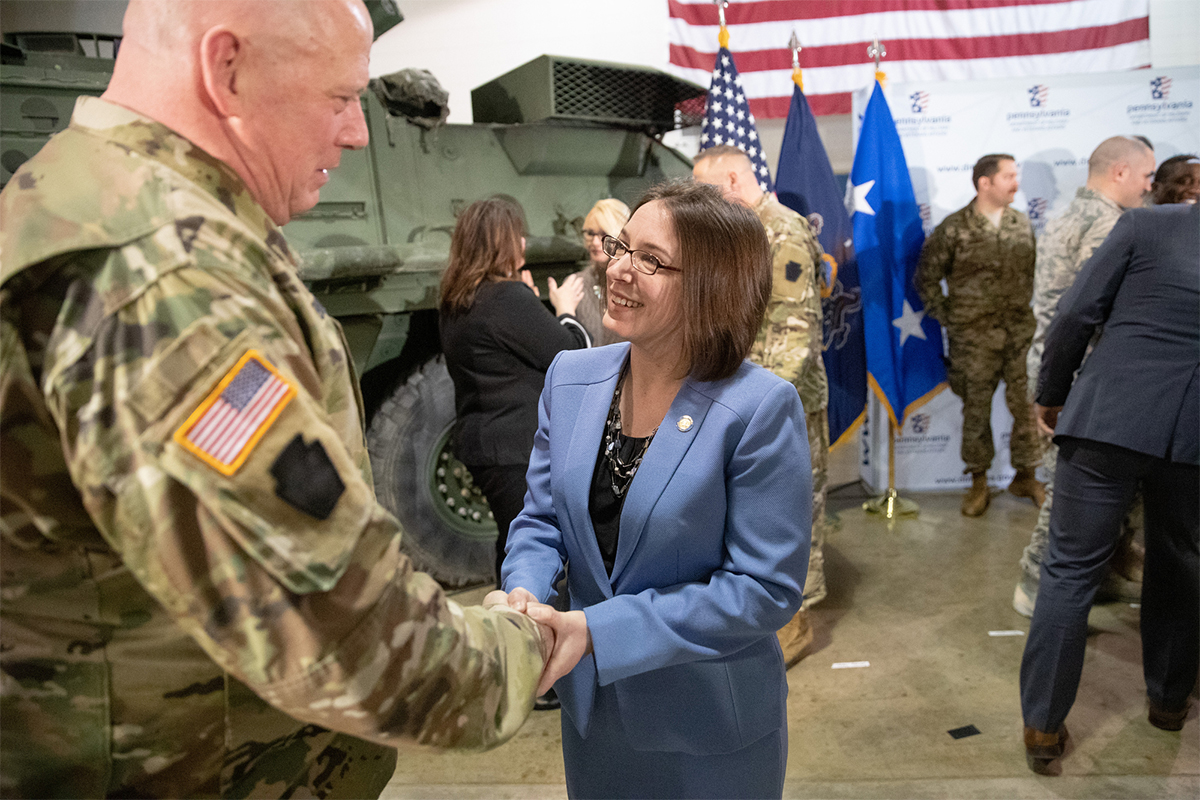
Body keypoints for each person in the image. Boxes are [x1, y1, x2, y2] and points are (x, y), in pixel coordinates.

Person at [0, 2, 553, 797]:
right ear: (225, 69)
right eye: (337, 98)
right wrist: (523, 645)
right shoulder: (161, 272)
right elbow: (343, 625)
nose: (358, 132)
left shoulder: (94, 192)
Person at [490, 180, 811, 799]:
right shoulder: (571, 376)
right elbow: (542, 519)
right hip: (596, 721)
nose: (619, 268)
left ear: (711, 287)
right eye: (620, 246)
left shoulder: (759, 408)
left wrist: (599, 631)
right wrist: (524, 595)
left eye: (651, 260)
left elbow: (764, 589)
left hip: (711, 731)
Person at [1019, 200, 1199, 774]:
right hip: (1193, 438)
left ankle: (1042, 725)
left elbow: (1074, 314)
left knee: (1070, 569)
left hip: (1109, 419)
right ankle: (1169, 703)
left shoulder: (1149, 223)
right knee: (1181, 563)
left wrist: (1051, 390)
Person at [692, 144, 828, 666]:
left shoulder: (782, 232)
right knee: (754, 511)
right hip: (742, 396)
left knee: (796, 508)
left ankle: (798, 619)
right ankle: (766, 609)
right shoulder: (741, 235)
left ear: (731, 179)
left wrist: (753, 405)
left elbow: (797, 334)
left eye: (705, 188)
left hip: (784, 403)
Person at [1011, 135, 1157, 616]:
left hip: (1063, 364)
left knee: (1092, 485)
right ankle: (1036, 585)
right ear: (1120, 173)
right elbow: (1097, 311)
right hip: (1082, 370)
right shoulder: (1110, 225)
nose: (1149, 186)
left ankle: (1104, 573)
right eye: (1146, 176)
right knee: (1072, 491)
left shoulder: (1070, 215)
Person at [439, 195, 587, 587]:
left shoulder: (457, 297)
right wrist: (564, 309)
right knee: (532, 551)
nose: (523, 244)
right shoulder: (506, 297)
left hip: (482, 445)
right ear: (502, 243)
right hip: (514, 448)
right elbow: (569, 353)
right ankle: (528, 629)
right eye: (517, 236)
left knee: (511, 545)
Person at [915, 153, 1043, 516]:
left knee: (1026, 408)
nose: (1016, 182)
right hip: (974, 340)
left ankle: (1026, 474)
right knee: (976, 411)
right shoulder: (954, 228)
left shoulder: (1022, 223)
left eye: (1016, 175)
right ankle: (978, 482)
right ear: (984, 182)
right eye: (1008, 176)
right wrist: (951, 317)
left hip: (1019, 335)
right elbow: (925, 278)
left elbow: (1032, 274)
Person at [571, 198, 631, 345]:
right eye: (591, 233)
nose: (596, 242)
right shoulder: (575, 283)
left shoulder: (633, 281)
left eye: (604, 234)